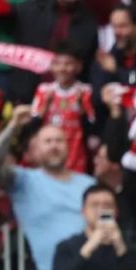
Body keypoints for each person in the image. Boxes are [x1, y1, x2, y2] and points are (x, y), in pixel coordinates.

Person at [0, 105, 95, 270]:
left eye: (59, 141)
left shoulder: (89, 184)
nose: (54, 146)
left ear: (68, 146)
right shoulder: (24, 180)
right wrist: (13, 127)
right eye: (47, 141)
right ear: (35, 149)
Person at [51, 184, 136, 270]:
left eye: (107, 206)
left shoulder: (129, 247)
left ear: (116, 212)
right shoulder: (67, 247)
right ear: (84, 212)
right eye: (95, 205)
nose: (101, 210)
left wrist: (120, 247)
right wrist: (89, 247)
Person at [30, 42, 94, 174]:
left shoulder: (86, 92)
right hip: (47, 159)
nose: (62, 68)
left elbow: (92, 129)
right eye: (57, 63)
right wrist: (45, 107)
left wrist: (81, 107)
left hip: (77, 160)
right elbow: (32, 127)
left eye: (68, 63)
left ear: (78, 66)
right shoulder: (43, 91)